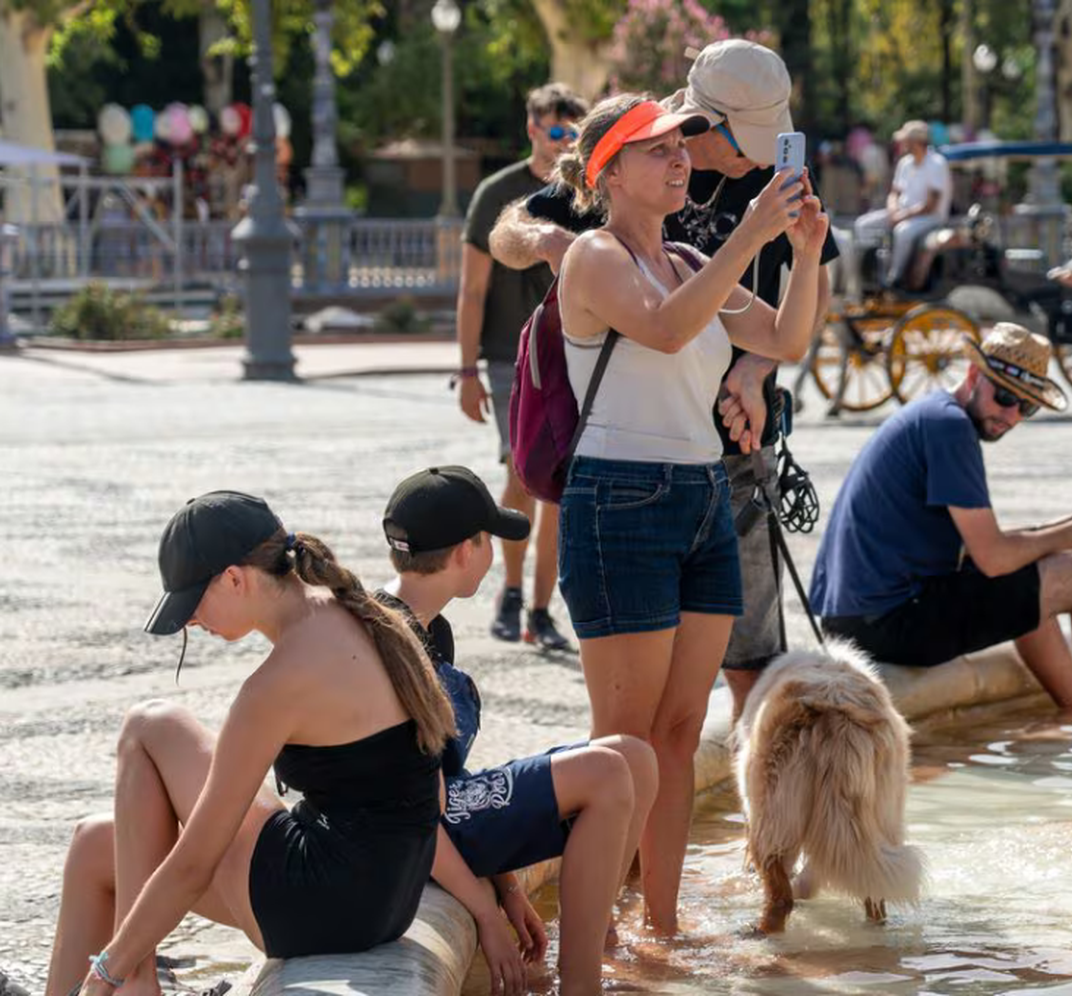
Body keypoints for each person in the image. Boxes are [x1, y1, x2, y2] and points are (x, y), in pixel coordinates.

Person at [489, 39, 841, 724]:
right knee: (636, 708)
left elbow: (810, 295)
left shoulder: (763, 181)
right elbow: (509, 231)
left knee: (752, 658)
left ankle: (752, 826)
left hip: (734, 450)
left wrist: (756, 365)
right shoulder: (639, 154)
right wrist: (553, 245)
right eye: (747, 140)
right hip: (631, 465)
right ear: (702, 120)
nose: (759, 158)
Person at [549, 93, 826, 935]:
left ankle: (659, 929)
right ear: (608, 173)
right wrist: (749, 235)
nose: (679, 161)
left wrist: (806, 252)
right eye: (657, 151)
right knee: (622, 746)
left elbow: (785, 341)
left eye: (681, 148)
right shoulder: (593, 258)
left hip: (706, 493)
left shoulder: (681, 257)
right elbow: (667, 334)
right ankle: (596, 941)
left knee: (676, 736)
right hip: (619, 499)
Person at [45, 492, 455, 996]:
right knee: (93, 846)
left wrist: (104, 972)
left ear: (234, 579)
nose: (191, 622)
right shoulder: (372, 617)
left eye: (191, 604)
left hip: (319, 906)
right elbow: (431, 797)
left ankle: (135, 984)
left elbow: (194, 864)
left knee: (150, 723)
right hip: (387, 903)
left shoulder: (276, 684)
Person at [376, 466, 656, 996]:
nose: (497, 554)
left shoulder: (430, 629)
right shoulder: (385, 646)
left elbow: (448, 774)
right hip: (404, 837)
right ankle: (581, 986)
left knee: (634, 757)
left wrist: (508, 886)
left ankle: (594, 943)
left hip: (445, 811)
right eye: (491, 541)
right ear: (466, 551)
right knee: (605, 772)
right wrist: (485, 911)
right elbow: (405, 803)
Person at [808, 324, 1072, 737]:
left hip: (850, 618)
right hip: (885, 622)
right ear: (973, 376)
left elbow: (984, 548)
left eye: (1025, 409)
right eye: (1005, 397)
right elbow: (993, 558)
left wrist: (1063, 530)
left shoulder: (933, 416)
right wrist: (1070, 536)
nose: (1010, 416)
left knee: (1036, 571)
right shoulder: (951, 428)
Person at [455, 83, 589, 651]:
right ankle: (510, 589)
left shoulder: (588, 191)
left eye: (574, 134)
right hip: (512, 353)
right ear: (533, 128)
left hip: (572, 349)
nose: (564, 142)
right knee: (521, 475)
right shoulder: (498, 192)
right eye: (557, 131)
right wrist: (466, 371)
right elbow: (472, 288)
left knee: (558, 484)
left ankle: (540, 607)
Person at [852, 120, 952, 290]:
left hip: (930, 217)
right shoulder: (904, 163)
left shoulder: (937, 163)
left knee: (902, 231)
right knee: (862, 224)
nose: (901, 143)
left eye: (905, 140)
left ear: (915, 142)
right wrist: (893, 209)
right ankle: (869, 275)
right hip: (902, 213)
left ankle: (894, 278)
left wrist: (900, 216)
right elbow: (894, 192)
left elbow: (931, 205)